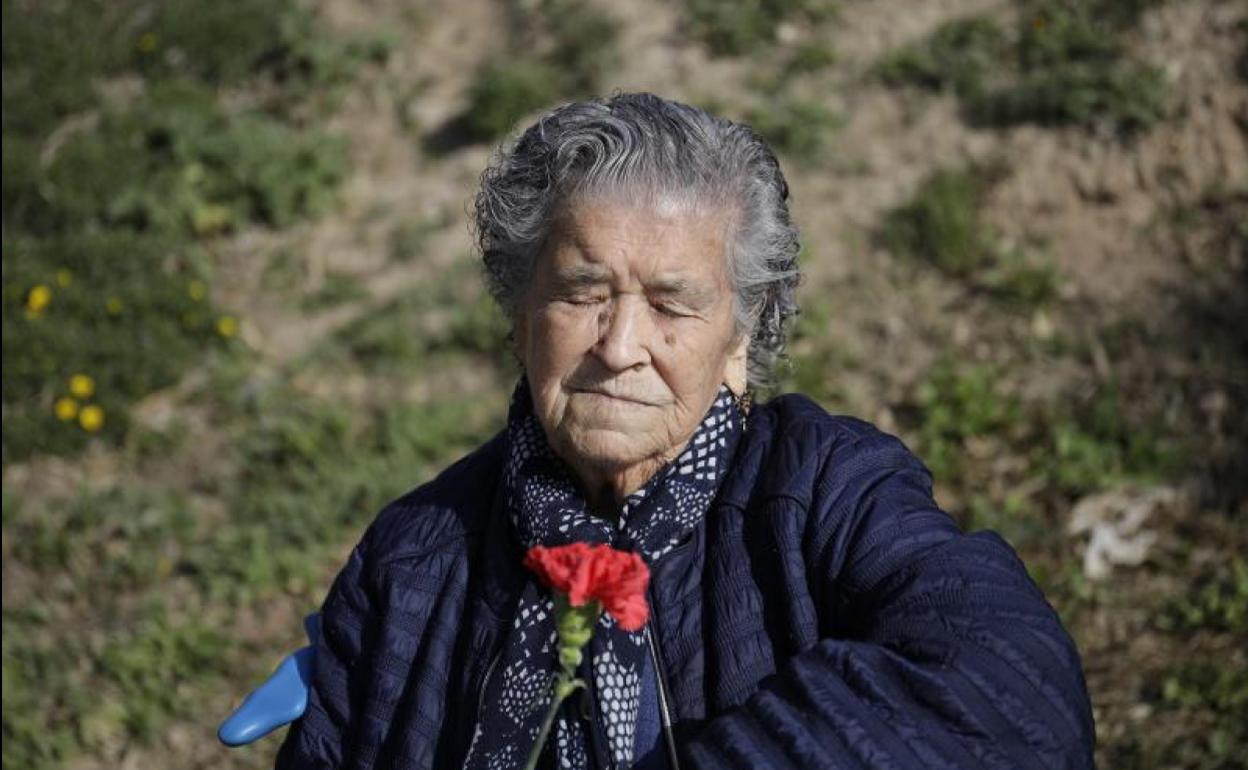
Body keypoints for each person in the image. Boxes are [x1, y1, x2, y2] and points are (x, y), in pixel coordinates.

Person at [273, 92, 1095, 769]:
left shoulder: (826, 493)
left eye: (671, 304)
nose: (621, 346)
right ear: (519, 320)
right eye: (580, 292)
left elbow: (1016, 693)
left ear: (739, 340)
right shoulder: (413, 556)